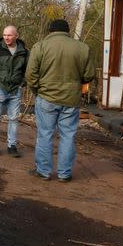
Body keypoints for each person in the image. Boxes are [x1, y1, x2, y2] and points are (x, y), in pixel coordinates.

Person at [25, 18, 95, 182]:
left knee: (45, 134)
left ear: (50, 31)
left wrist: (38, 91)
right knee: (68, 136)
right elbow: (89, 74)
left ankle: (43, 171)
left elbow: (31, 75)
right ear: (67, 31)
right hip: (71, 99)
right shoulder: (82, 48)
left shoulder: (40, 46)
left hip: (46, 97)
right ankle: (64, 174)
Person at [0, 25, 29, 157]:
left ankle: (12, 146)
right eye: (4, 35)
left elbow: (29, 70)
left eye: (9, 35)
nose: (6, 37)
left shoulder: (24, 52)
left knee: (13, 119)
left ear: (16, 36)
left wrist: (22, 84)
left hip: (15, 90)